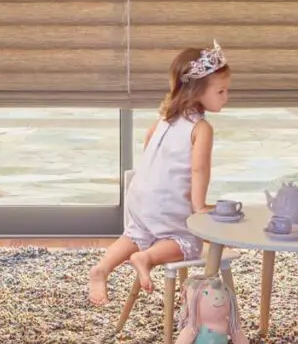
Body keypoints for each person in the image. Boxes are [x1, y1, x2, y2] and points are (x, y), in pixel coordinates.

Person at [87, 42, 230, 304]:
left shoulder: (165, 118)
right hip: (167, 202)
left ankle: (102, 269)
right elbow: (199, 169)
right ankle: (147, 258)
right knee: (189, 240)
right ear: (197, 91)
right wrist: (199, 206)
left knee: (137, 233)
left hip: (141, 195)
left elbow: (148, 142)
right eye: (221, 91)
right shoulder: (201, 128)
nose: (226, 97)